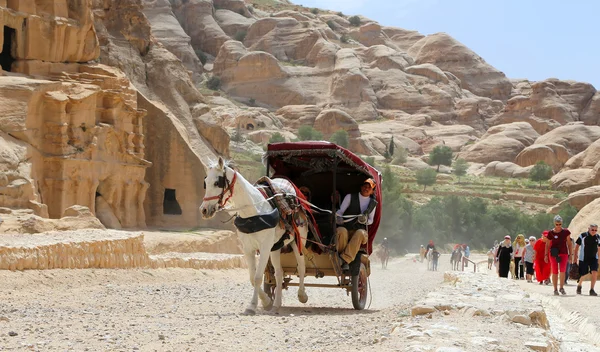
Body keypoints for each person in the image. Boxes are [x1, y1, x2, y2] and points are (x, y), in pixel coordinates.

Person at [335, 178, 377, 271]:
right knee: (340, 230)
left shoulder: (372, 203)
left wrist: (364, 220)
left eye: (369, 188)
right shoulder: (350, 197)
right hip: (347, 228)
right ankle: (339, 256)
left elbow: (371, 220)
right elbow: (340, 211)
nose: (366, 188)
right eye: (365, 186)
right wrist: (338, 217)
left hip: (361, 232)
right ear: (361, 187)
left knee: (360, 233)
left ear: (372, 191)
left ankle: (345, 260)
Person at [546, 215, 573, 295]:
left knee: (562, 270)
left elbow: (569, 244)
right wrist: (545, 255)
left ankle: (561, 287)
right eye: (557, 224)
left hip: (563, 253)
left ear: (562, 223)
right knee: (554, 271)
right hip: (554, 253)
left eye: (560, 224)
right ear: (554, 223)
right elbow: (547, 244)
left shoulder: (566, 232)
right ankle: (555, 289)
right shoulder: (550, 233)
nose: (558, 226)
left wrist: (570, 255)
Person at [574, 224, 600, 296]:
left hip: (594, 258)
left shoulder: (598, 237)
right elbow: (576, 246)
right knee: (583, 274)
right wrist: (575, 257)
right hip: (584, 258)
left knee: (594, 272)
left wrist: (599, 258)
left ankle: (592, 290)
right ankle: (579, 285)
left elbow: (599, 248)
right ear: (589, 229)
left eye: (595, 230)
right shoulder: (583, 236)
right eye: (592, 230)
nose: (594, 231)